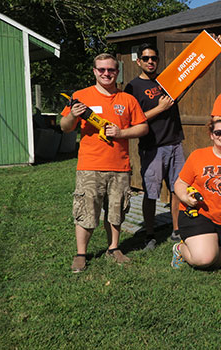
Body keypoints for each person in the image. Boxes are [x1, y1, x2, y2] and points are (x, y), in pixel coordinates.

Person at [61, 53, 149, 273]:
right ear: (94, 71)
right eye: (101, 70)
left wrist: (121, 132)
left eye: (110, 70)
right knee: (86, 210)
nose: (106, 73)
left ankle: (114, 248)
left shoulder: (127, 99)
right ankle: (81, 254)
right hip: (90, 166)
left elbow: (143, 127)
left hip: (120, 166)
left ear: (117, 71)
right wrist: (73, 115)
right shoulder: (81, 96)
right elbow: (64, 126)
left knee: (117, 210)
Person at [124, 43, 186, 250]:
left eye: (154, 58)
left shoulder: (166, 80)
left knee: (178, 189)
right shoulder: (132, 88)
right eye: (146, 58)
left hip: (175, 143)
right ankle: (150, 234)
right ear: (138, 61)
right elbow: (131, 121)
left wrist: (213, 48)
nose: (151, 61)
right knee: (151, 192)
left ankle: (176, 230)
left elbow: (193, 72)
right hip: (153, 147)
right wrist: (159, 108)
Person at [171, 120, 221, 269]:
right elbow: (180, 183)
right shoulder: (198, 155)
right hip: (199, 212)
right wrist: (185, 198)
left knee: (219, 261)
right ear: (211, 135)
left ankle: (207, 244)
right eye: (218, 132)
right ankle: (180, 249)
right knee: (205, 259)